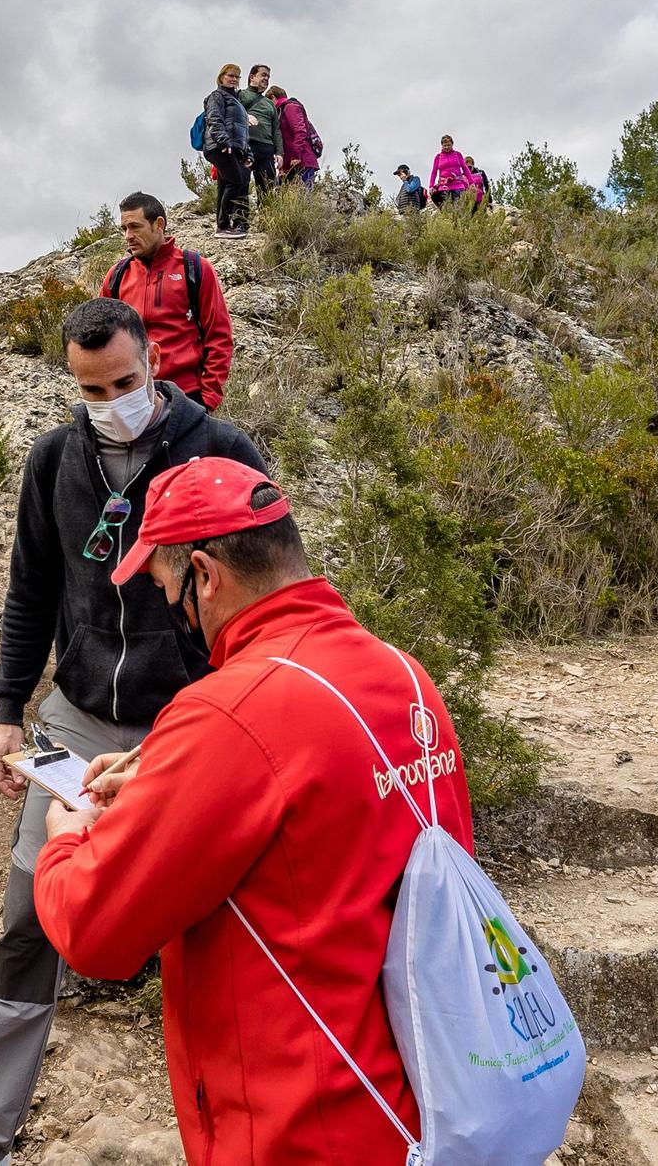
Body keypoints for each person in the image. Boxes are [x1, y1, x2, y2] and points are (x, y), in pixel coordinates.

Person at [33, 456, 475, 1165]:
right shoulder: (403, 672)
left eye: (163, 587)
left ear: (204, 576)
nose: (169, 610)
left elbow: (94, 928)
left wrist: (66, 836)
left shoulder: (225, 714)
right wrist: (165, 770)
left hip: (299, 1125)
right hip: (429, 1097)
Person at [0, 300, 266, 1166]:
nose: (111, 399)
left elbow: (257, 592)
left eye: (124, 381)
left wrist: (229, 716)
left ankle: (241, 1135)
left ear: (154, 360)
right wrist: (9, 714)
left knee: (212, 928)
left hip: (186, 715)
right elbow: (29, 594)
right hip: (74, 717)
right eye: (91, 388)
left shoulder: (222, 451)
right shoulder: (53, 460)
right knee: (29, 915)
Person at [97, 192, 234, 410]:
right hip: (133, 399)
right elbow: (101, 338)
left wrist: (207, 400)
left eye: (135, 227)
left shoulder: (195, 269)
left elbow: (219, 337)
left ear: (158, 224)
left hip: (186, 398)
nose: (128, 236)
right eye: (124, 229)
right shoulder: (117, 276)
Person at [201, 65, 253, 235]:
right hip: (220, 147)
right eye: (231, 75)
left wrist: (247, 153)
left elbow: (242, 131)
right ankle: (223, 226)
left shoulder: (237, 101)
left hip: (233, 148)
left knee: (225, 185)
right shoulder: (217, 96)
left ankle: (222, 226)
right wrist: (224, 142)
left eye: (237, 77)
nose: (234, 79)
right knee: (235, 181)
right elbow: (214, 119)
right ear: (221, 77)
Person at [239, 65, 282, 204]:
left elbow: (276, 129)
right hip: (245, 145)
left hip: (266, 148)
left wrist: (280, 153)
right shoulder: (240, 95)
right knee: (241, 184)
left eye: (268, 77)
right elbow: (231, 115)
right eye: (263, 75)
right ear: (252, 77)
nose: (266, 79)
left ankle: (267, 223)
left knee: (267, 188)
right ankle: (241, 222)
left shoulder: (269, 104)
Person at [270, 86, 322, 186]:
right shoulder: (282, 110)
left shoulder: (291, 107)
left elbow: (300, 131)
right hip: (292, 164)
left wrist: (295, 155)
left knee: (303, 197)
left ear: (273, 97)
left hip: (302, 160)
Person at [429, 135, 472, 208]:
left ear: (452, 144)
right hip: (444, 186)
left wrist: (471, 182)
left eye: (449, 145)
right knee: (446, 209)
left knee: (459, 208)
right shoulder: (438, 157)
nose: (447, 147)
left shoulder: (458, 154)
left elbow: (465, 168)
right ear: (441, 145)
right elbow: (434, 172)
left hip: (458, 185)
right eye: (444, 145)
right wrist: (431, 186)